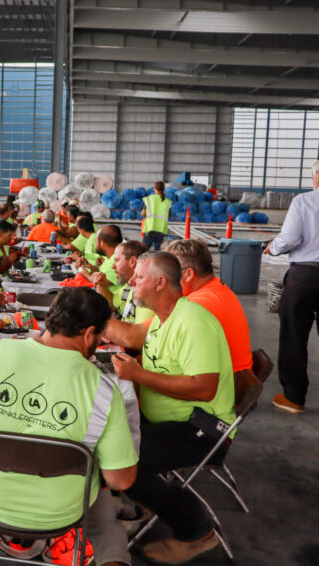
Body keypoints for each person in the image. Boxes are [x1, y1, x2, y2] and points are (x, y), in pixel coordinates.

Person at [0, 287, 138, 566]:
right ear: (90, 334)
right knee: (103, 502)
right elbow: (122, 480)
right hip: (63, 512)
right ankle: (112, 561)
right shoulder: (104, 391)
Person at [104, 252, 234, 563]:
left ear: (161, 283)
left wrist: (138, 374)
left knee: (121, 456)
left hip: (201, 429)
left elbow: (205, 388)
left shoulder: (192, 322)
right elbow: (162, 366)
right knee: (108, 434)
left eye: (139, 278)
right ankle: (141, 497)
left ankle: (197, 533)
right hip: (170, 420)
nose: (132, 282)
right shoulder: (163, 320)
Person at [264, 160, 319, 413]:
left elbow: (290, 237)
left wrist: (272, 248)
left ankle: (294, 398)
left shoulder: (304, 201)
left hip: (305, 275)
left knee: (294, 336)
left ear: (316, 176)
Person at [165, 239, 252, 373]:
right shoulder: (216, 288)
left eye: (167, 272)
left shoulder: (197, 303)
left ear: (188, 274)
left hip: (223, 385)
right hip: (230, 377)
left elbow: (138, 336)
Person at [97, 240, 154, 325]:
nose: (113, 266)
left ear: (132, 262)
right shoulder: (128, 287)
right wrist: (102, 285)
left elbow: (138, 335)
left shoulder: (147, 294)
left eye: (117, 260)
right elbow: (111, 304)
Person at [79, 225, 122, 292]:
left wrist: (82, 271)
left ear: (102, 243)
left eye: (96, 241)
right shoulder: (108, 257)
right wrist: (92, 267)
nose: (95, 245)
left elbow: (99, 282)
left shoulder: (115, 262)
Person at [142, 181, 172, 251]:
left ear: (154, 188)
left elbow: (143, 213)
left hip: (150, 228)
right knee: (158, 252)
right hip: (161, 230)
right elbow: (168, 215)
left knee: (143, 251)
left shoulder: (149, 199)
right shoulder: (167, 202)